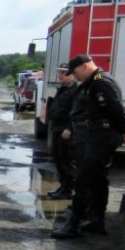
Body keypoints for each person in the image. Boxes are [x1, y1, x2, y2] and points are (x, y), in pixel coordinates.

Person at [52, 55, 125, 239]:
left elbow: (117, 112)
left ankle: (73, 225)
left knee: (82, 180)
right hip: (94, 138)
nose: (75, 76)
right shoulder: (90, 82)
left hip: (100, 139)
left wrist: (120, 134)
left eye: (76, 72)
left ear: (86, 66)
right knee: (97, 181)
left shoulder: (101, 83)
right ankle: (96, 221)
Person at [46, 63, 78, 200]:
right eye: (59, 73)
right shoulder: (63, 88)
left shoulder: (75, 89)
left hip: (65, 131)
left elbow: (77, 111)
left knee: (66, 161)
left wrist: (69, 128)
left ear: (72, 74)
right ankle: (63, 187)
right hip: (57, 128)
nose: (60, 75)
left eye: (64, 73)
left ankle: (69, 189)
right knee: (58, 159)